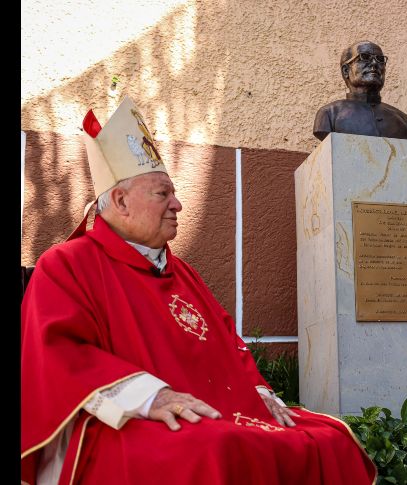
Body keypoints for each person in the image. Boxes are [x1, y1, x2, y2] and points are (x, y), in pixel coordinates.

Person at [20, 97, 376, 485]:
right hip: (121, 418)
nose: (179, 204)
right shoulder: (66, 265)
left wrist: (260, 394)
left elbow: (228, 342)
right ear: (120, 201)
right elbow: (60, 354)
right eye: (162, 194)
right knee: (212, 450)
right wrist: (150, 397)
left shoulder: (183, 273)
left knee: (329, 440)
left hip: (215, 411)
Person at [313, 41, 407, 141]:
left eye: (380, 59)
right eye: (365, 57)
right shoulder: (329, 114)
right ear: (346, 71)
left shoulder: (404, 121)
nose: (374, 63)